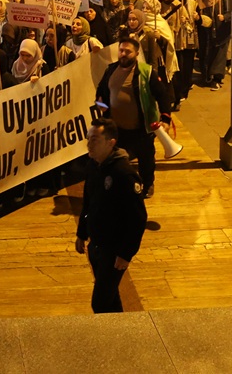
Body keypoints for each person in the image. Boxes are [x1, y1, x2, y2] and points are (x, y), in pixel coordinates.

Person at [76, 118, 148, 313]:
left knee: (99, 302)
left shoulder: (124, 174)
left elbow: (138, 218)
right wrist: (82, 233)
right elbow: (88, 201)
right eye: (89, 139)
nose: (89, 145)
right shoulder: (93, 166)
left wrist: (126, 254)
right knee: (109, 296)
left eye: (95, 140)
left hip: (114, 251)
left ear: (111, 143)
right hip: (96, 246)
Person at [95, 35, 174, 199]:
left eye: (127, 52)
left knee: (146, 161)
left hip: (141, 128)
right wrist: (101, 107)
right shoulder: (110, 70)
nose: (123, 54)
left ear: (136, 53)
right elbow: (101, 93)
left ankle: (147, 183)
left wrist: (165, 118)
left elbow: (162, 95)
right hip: (117, 128)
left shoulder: (147, 72)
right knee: (117, 159)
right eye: (121, 50)